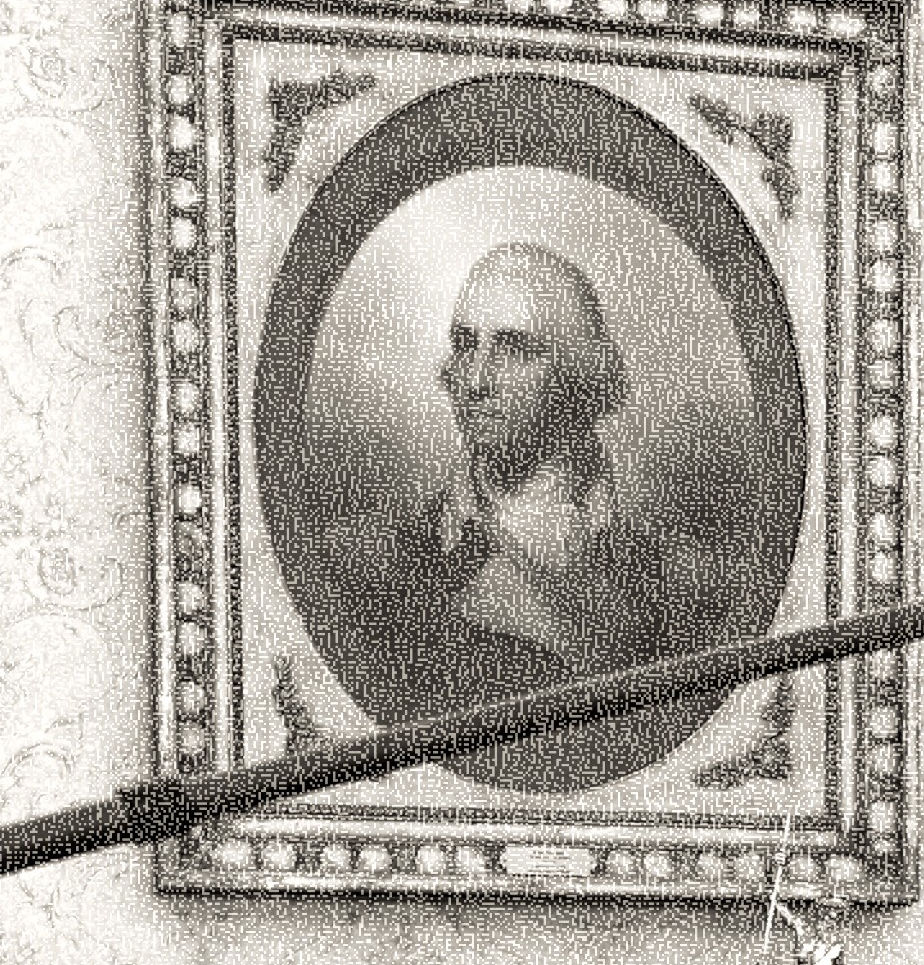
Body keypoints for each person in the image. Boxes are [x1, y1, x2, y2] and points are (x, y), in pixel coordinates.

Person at [296, 247, 762, 739]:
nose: (475, 380)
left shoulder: (683, 586)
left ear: (582, 376)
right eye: (464, 344)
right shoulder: (369, 561)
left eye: (515, 349)